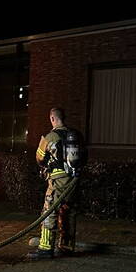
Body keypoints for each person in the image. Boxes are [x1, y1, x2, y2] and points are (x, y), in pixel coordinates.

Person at [30, 107, 85, 259]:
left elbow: (39, 158)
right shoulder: (76, 136)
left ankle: (46, 248)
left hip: (57, 182)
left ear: (52, 119)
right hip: (74, 181)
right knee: (69, 212)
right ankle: (66, 247)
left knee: (49, 211)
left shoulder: (50, 137)